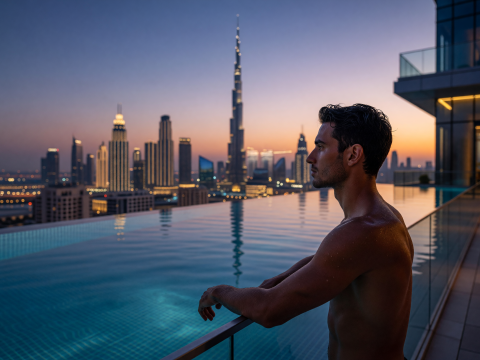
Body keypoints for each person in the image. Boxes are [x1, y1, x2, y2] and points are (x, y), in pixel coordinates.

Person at [198, 104, 413, 360]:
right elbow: (326, 259)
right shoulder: (385, 219)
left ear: (353, 155)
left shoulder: (361, 233)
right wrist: (277, 280)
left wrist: (218, 291)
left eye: (321, 147)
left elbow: (269, 310)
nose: (310, 157)